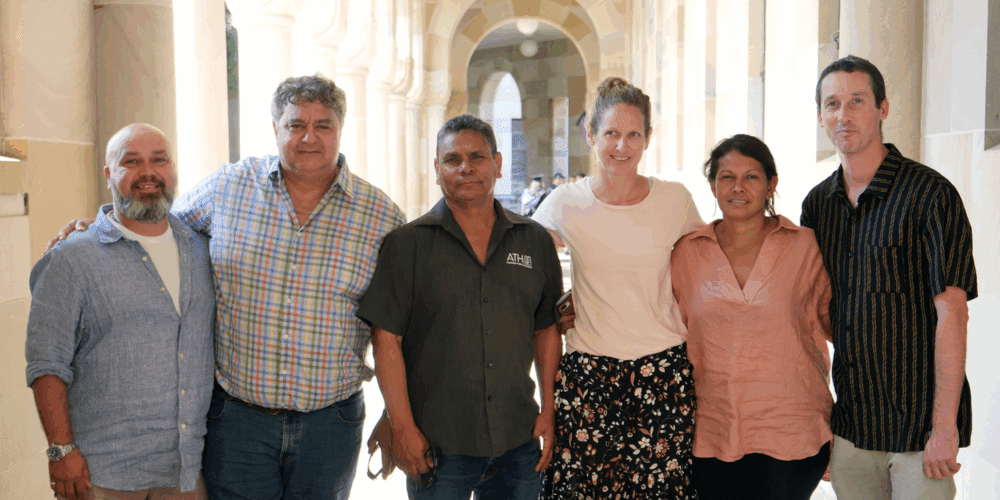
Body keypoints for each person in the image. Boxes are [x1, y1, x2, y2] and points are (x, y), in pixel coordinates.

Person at [48, 74, 406, 499]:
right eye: (295, 125)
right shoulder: (229, 187)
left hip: (331, 426)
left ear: (340, 130)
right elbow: (157, 227)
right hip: (238, 425)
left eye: (323, 125)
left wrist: (397, 416)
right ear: (275, 128)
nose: (309, 137)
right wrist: (96, 229)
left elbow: (397, 328)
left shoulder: (382, 217)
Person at [357, 114, 563, 499]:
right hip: (436, 446)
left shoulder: (534, 240)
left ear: (497, 164)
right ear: (437, 170)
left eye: (477, 157)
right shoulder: (406, 245)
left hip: (518, 441)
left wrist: (549, 410)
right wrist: (402, 427)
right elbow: (386, 340)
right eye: (453, 159)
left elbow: (547, 330)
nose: (465, 167)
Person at [802, 55, 978, 500]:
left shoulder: (931, 195)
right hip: (853, 428)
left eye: (857, 101)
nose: (843, 115)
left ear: (882, 108)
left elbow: (953, 315)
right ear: (820, 117)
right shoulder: (817, 206)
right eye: (832, 104)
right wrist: (819, 422)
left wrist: (945, 427)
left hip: (920, 432)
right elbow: (814, 315)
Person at [533, 77, 703, 499]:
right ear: (591, 134)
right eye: (611, 133)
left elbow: (703, 271)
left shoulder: (675, 200)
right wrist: (559, 305)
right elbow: (522, 263)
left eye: (633, 135)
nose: (621, 146)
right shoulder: (565, 202)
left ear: (648, 137)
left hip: (663, 375)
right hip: (589, 376)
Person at [26, 123, 216, 500]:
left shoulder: (203, 249)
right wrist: (60, 451)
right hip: (101, 473)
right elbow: (46, 363)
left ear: (173, 169)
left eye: (159, 160)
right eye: (131, 162)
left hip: (185, 471)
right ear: (109, 174)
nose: (148, 172)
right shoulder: (71, 259)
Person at [671, 134, 833, 500]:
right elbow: (658, 323)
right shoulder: (686, 253)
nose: (738, 187)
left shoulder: (806, 246)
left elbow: (841, 325)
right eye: (727, 177)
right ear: (712, 185)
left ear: (771, 184)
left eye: (752, 177)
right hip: (713, 430)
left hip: (792, 430)